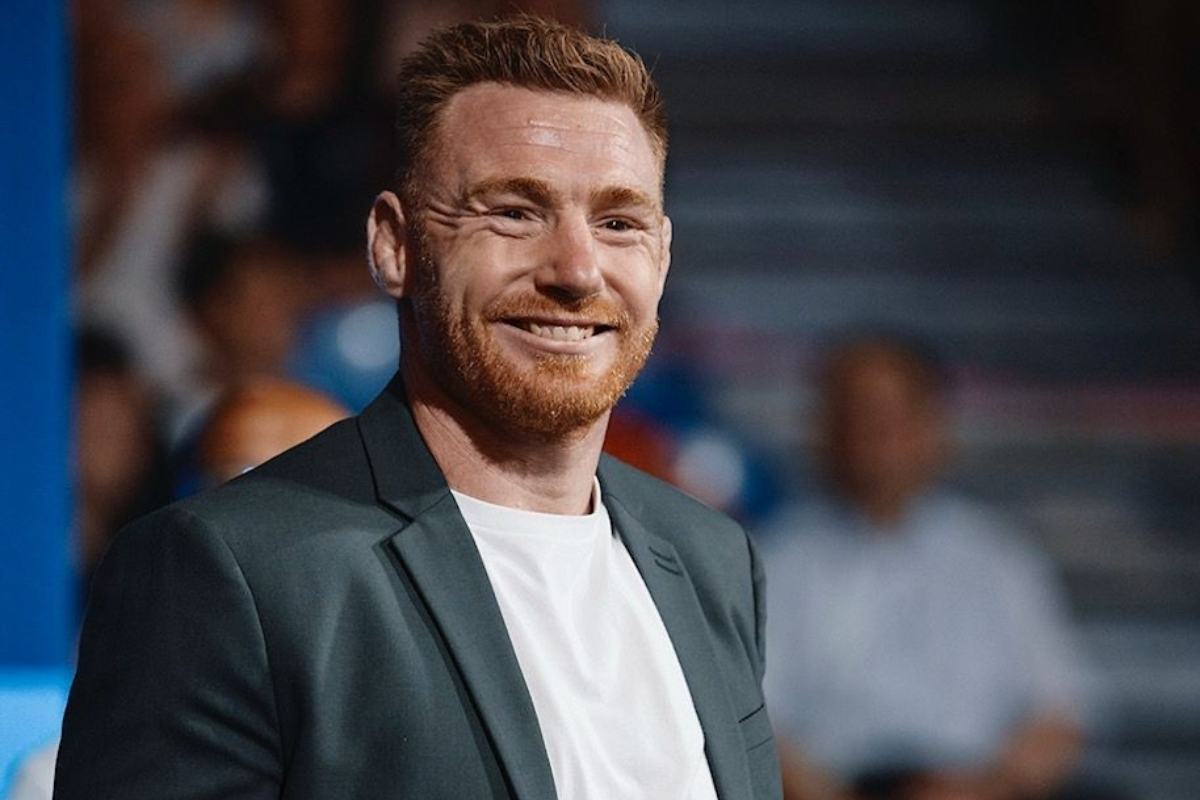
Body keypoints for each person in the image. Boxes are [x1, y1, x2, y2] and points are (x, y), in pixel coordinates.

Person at [54, 17, 781, 800]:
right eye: (515, 211)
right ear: (394, 245)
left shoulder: (713, 562)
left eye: (618, 223)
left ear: (662, 257)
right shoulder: (225, 573)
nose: (577, 270)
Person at [761, 337, 1091, 800]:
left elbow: (1060, 714)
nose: (878, 437)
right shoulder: (775, 559)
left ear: (936, 426)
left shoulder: (997, 555)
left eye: (896, 416)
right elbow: (751, 719)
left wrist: (985, 789)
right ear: (824, 429)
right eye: (858, 415)